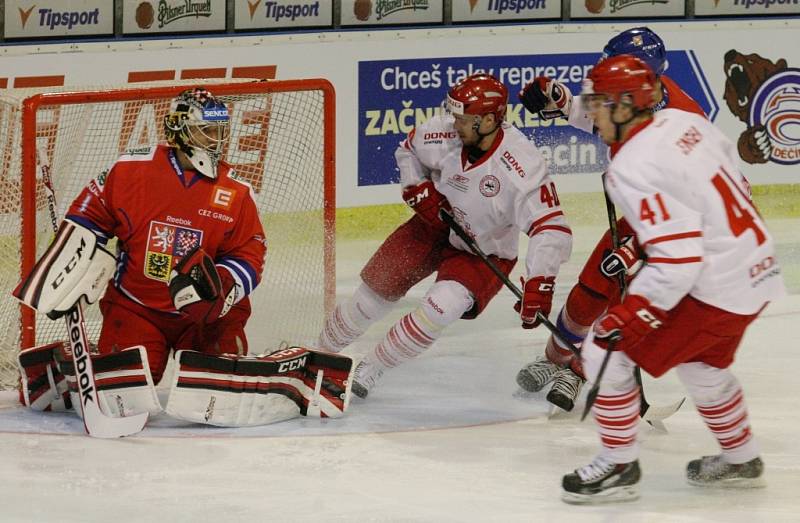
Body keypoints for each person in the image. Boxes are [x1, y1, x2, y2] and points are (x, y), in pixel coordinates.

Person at [559, 55, 785, 504]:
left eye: (599, 103)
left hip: (713, 283)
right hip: (756, 267)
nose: (591, 112)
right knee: (703, 365)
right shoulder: (684, 122)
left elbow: (679, 258)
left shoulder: (631, 165)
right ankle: (742, 457)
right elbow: (725, 188)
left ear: (624, 107)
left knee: (607, 348)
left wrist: (630, 313)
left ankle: (618, 466)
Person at [317, 73, 573, 398]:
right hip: (432, 228)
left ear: (489, 120)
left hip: (483, 251)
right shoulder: (444, 132)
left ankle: (374, 366)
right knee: (372, 295)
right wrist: (417, 187)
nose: (454, 124)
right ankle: (317, 353)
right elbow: (408, 150)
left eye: (463, 119)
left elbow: (551, 228)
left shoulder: (521, 166)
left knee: (440, 308)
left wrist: (540, 282)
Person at [14, 87, 266, 407]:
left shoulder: (237, 191)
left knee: (218, 391)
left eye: (220, 131)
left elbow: (251, 251)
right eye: (207, 131)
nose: (217, 140)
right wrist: (76, 262)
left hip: (204, 317)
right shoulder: (133, 169)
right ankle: (61, 365)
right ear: (179, 129)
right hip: (137, 307)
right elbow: (88, 215)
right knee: (123, 395)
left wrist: (226, 284)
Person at [515, 27, 709, 412]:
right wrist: (556, 97)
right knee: (590, 290)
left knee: (627, 303)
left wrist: (638, 249)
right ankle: (555, 358)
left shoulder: (685, 125)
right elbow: (587, 112)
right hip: (642, 214)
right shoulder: (626, 89)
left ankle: (580, 369)